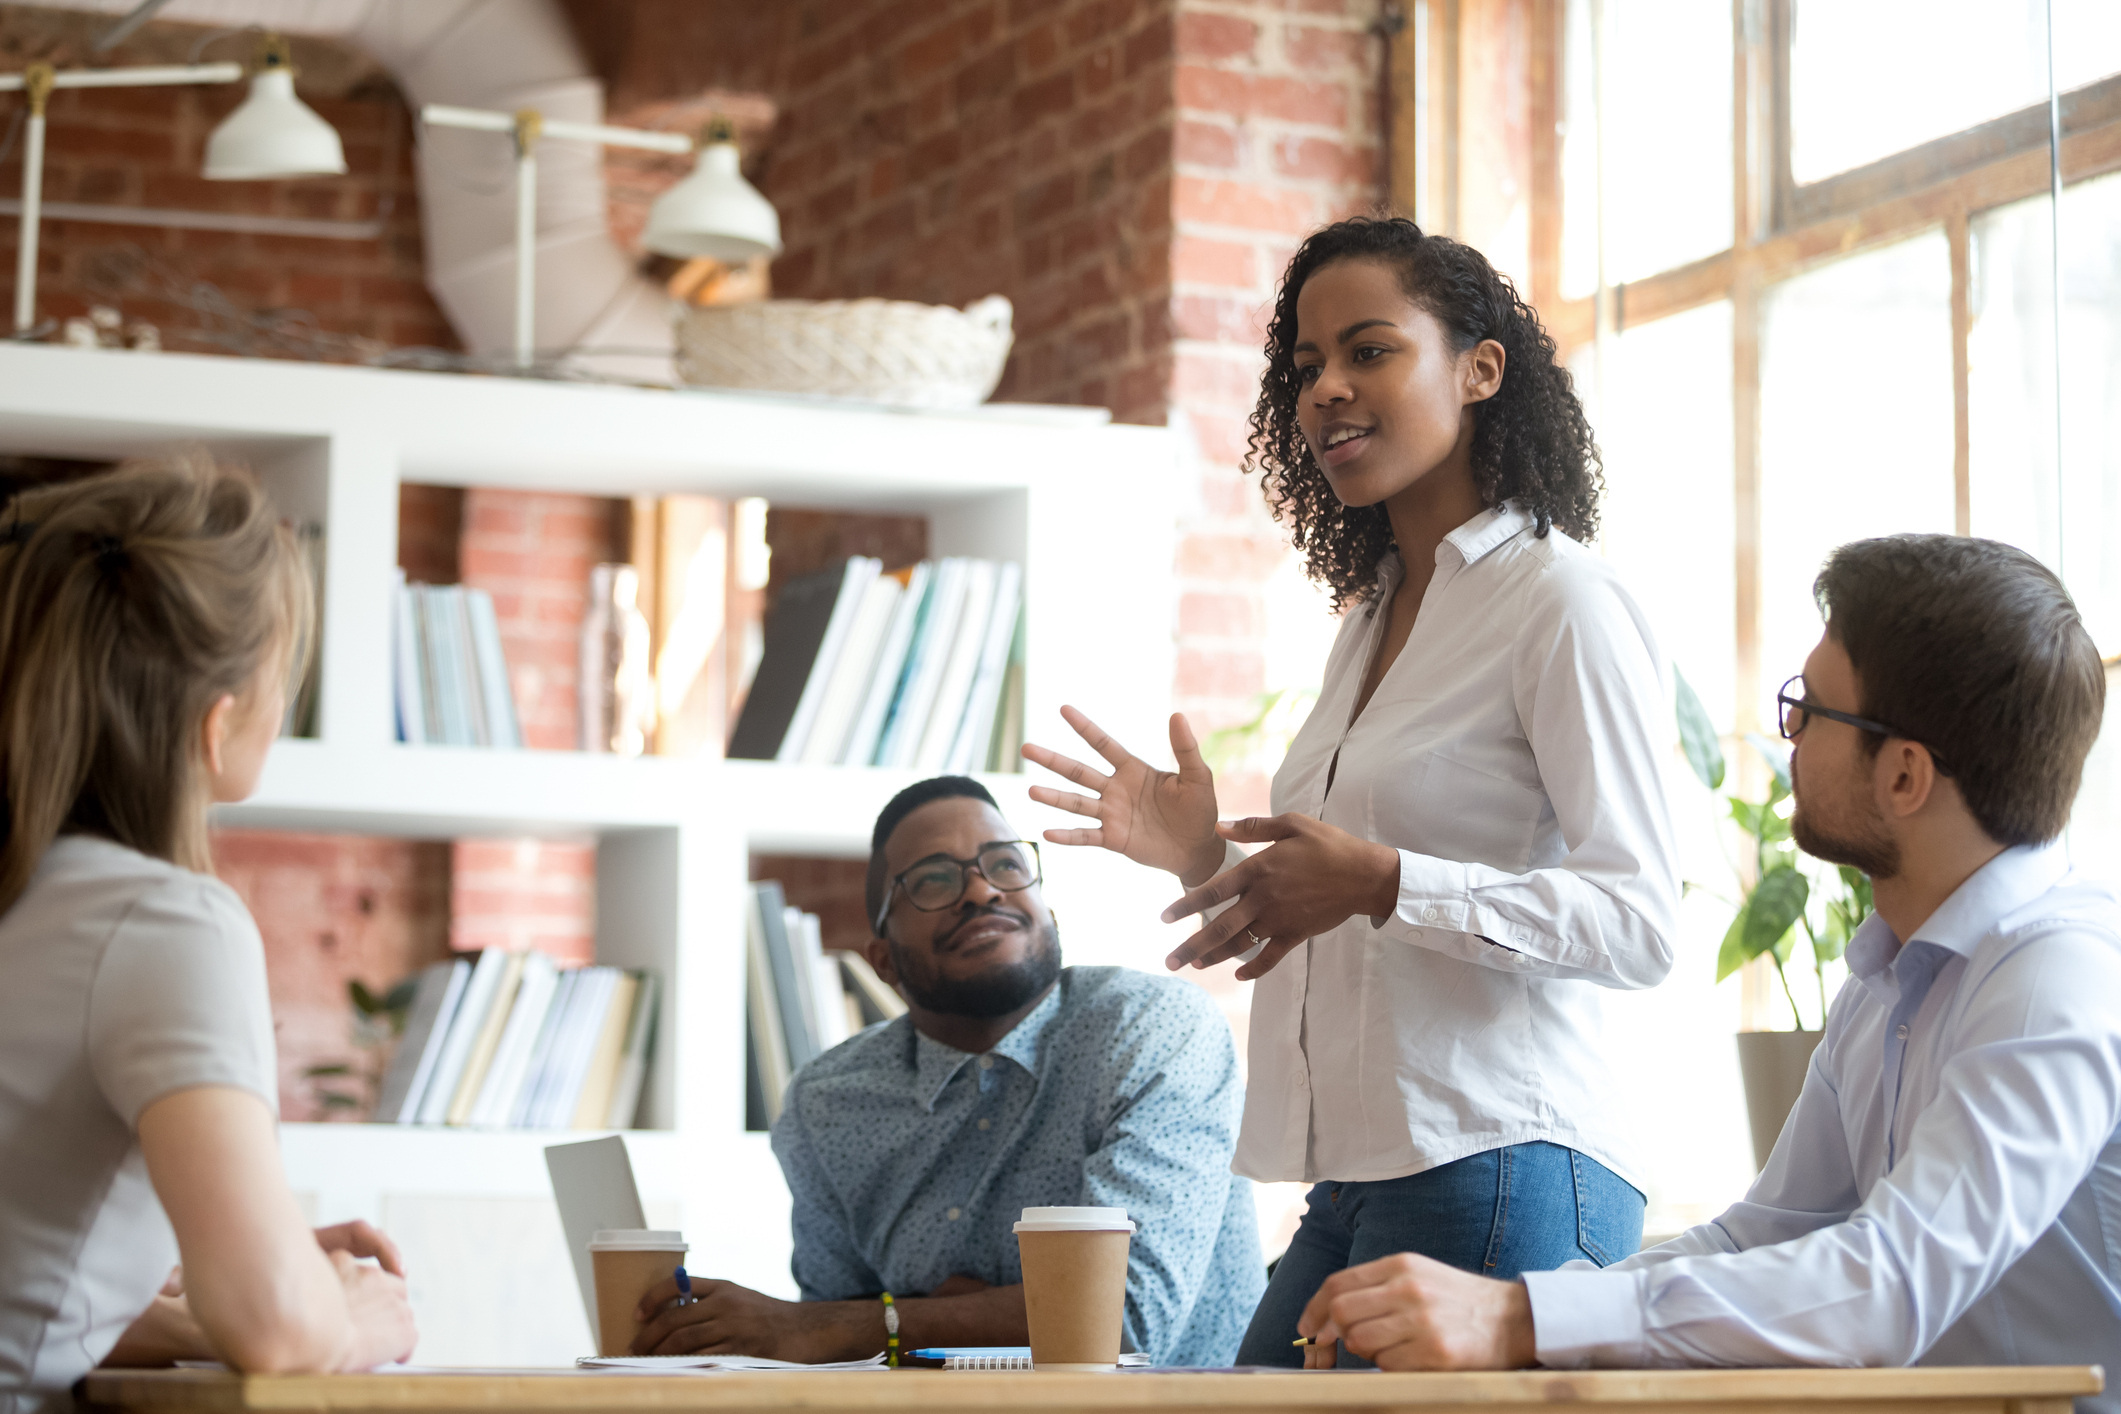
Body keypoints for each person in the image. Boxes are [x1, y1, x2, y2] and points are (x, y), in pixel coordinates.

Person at [1023, 215, 1679, 1366]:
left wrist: (1380, 881)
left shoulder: (1559, 604)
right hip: (1363, 1176)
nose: (1326, 389)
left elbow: (1638, 921)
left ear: (1481, 370)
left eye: (1368, 351)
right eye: (1304, 366)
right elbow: (1346, 902)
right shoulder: (1372, 620)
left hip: (1508, 1159)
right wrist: (1200, 859)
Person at [1291, 535, 2118, 1400]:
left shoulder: (2055, 979)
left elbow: (1886, 1285)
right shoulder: (1890, 979)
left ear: (1904, 775)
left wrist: (1517, 1322)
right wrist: (1513, 1306)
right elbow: (1757, 1238)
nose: (1783, 734)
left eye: (1809, 711)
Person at [0, 462, 417, 1414]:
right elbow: (276, 1327)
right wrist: (349, 1315)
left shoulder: (30, 896)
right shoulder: (165, 922)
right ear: (219, 723)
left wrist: (232, 1289)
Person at [630, 776, 1263, 1366]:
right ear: (883, 961)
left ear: (1050, 915)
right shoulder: (826, 1105)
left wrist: (878, 1324)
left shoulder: (1152, 1030)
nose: (982, 890)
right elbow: (840, 1359)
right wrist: (930, 1320)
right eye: (933, 881)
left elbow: (1117, 1322)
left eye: (1007, 866)